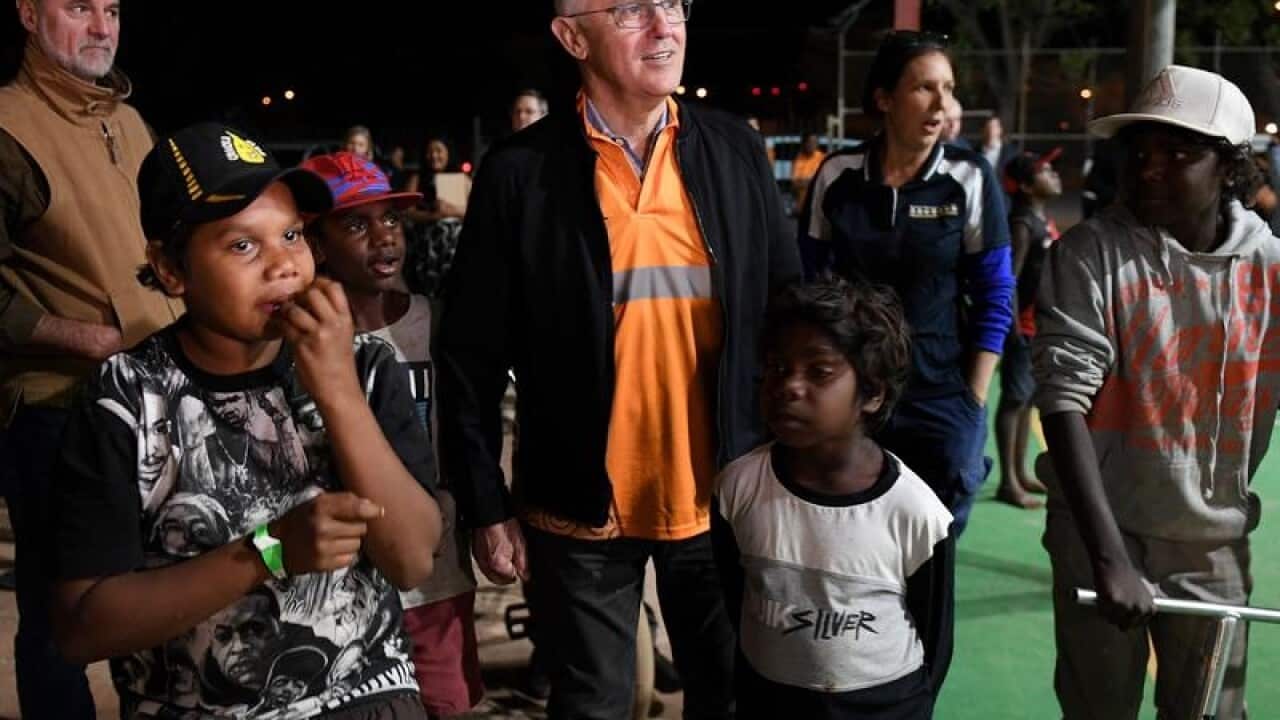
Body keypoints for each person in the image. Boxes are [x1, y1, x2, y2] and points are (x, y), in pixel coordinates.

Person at [436, 0, 801, 716]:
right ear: (573, 36)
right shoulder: (520, 173)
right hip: (579, 506)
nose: (665, 26)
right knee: (593, 702)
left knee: (732, 695)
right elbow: (468, 356)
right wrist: (485, 502)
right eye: (633, 9)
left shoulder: (733, 151)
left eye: (673, 4)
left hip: (723, 495)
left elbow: (789, 312)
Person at [47, 122, 444, 718]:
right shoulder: (124, 399)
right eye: (242, 245)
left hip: (367, 695)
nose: (284, 265)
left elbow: (412, 558)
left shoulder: (365, 366)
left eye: (292, 235)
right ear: (171, 269)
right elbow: (83, 627)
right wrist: (268, 551)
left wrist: (336, 391)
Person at [1034, 65, 1276, 719]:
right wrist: (1106, 555)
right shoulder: (1089, 256)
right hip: (1100, 534)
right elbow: (1062, 403)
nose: (1150, 169)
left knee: (1210, 711)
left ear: (1229, 166)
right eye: (1140, 152)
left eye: (1179, 152)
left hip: (1211, 540)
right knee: (1098, 708)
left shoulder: (1271, 270)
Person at [0, 1, 185, 716]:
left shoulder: (128, 119)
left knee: (163, 595)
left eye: (110, 8)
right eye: (78, 7)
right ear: (26, 13)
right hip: (60, 409)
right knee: (64, 620)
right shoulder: (10, 128)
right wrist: (83, 338)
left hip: (156, 396)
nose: (103, 28)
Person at [800, 30, 1014, 537]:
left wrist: (972, 399)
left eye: (949, 88)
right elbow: (808, 286)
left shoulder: (970, 177)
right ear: (884, 98)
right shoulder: (838, 176)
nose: (943, 103)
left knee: (932, 549)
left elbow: (995, 293)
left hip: (942, 395)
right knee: (850, 540)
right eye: (924, 88)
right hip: (853, 396)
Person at [713, 277, 954, 719]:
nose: (789, 386)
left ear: (872, 392)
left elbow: (934, 639)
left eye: (819, 372)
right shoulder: (738, 488)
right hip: (769, 702)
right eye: (777, 368)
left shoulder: (914, 513)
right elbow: (736, 597)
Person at [301, 151, 484, 718]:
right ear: (316, 243)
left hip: (436, 574)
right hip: (341, 583)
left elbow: (468, 435)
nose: (383, 238)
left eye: (391, 220)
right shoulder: (302, 344)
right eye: (356, 224)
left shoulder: (436, 321)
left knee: (445, 701)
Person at [994, 148, 1061, 509]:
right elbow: (1010, 280)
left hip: (1040, 325)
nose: (1054, 175)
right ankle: (1008, 481)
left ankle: (1020, 473)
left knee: (1025, 402)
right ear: (1024, 186)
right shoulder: (1022, 223)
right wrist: (1013, 328)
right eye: (1044, 172)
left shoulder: (1039, 217)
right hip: (1024, 326)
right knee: (1014, 398)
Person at [790, 131, 825, 208]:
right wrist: (812, 181)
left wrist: (806, 181)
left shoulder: (822, 158)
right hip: (802, 205)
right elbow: (794, 183)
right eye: (810, 142)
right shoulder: (798, 159)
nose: (812, 145)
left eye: (815, 142)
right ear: (804, 143)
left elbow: (824, 181)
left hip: (819, 205)